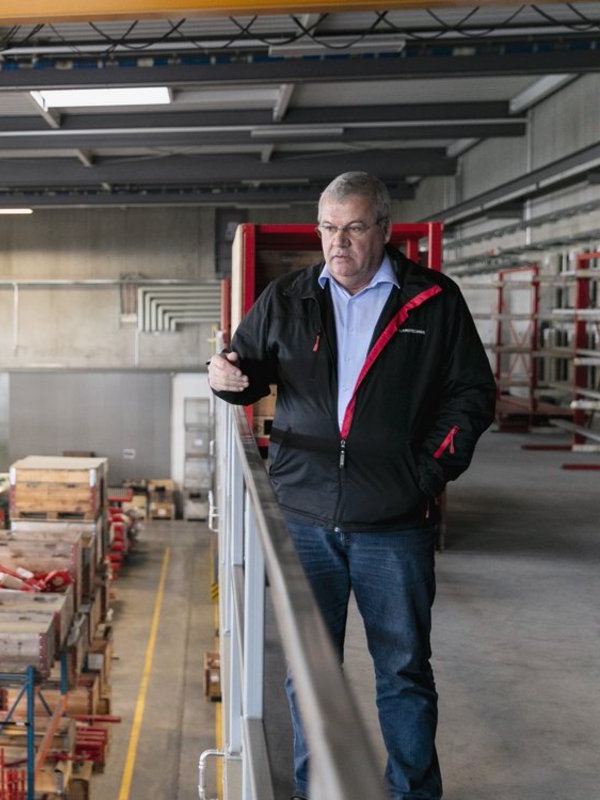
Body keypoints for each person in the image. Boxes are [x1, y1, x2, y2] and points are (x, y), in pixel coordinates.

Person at [207, 172, 495, 800]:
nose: (338, 243)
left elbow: (472, 395)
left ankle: (413, 792)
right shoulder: (288, 298)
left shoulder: (433, 301)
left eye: (354, 228)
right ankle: (317, 791)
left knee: (403, 672)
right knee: (310, 675)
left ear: (384, 231)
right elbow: (247, 368)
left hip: (394, 523)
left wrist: (428, 472)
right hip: (306, 518)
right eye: (329, 229)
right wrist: (224, 376)